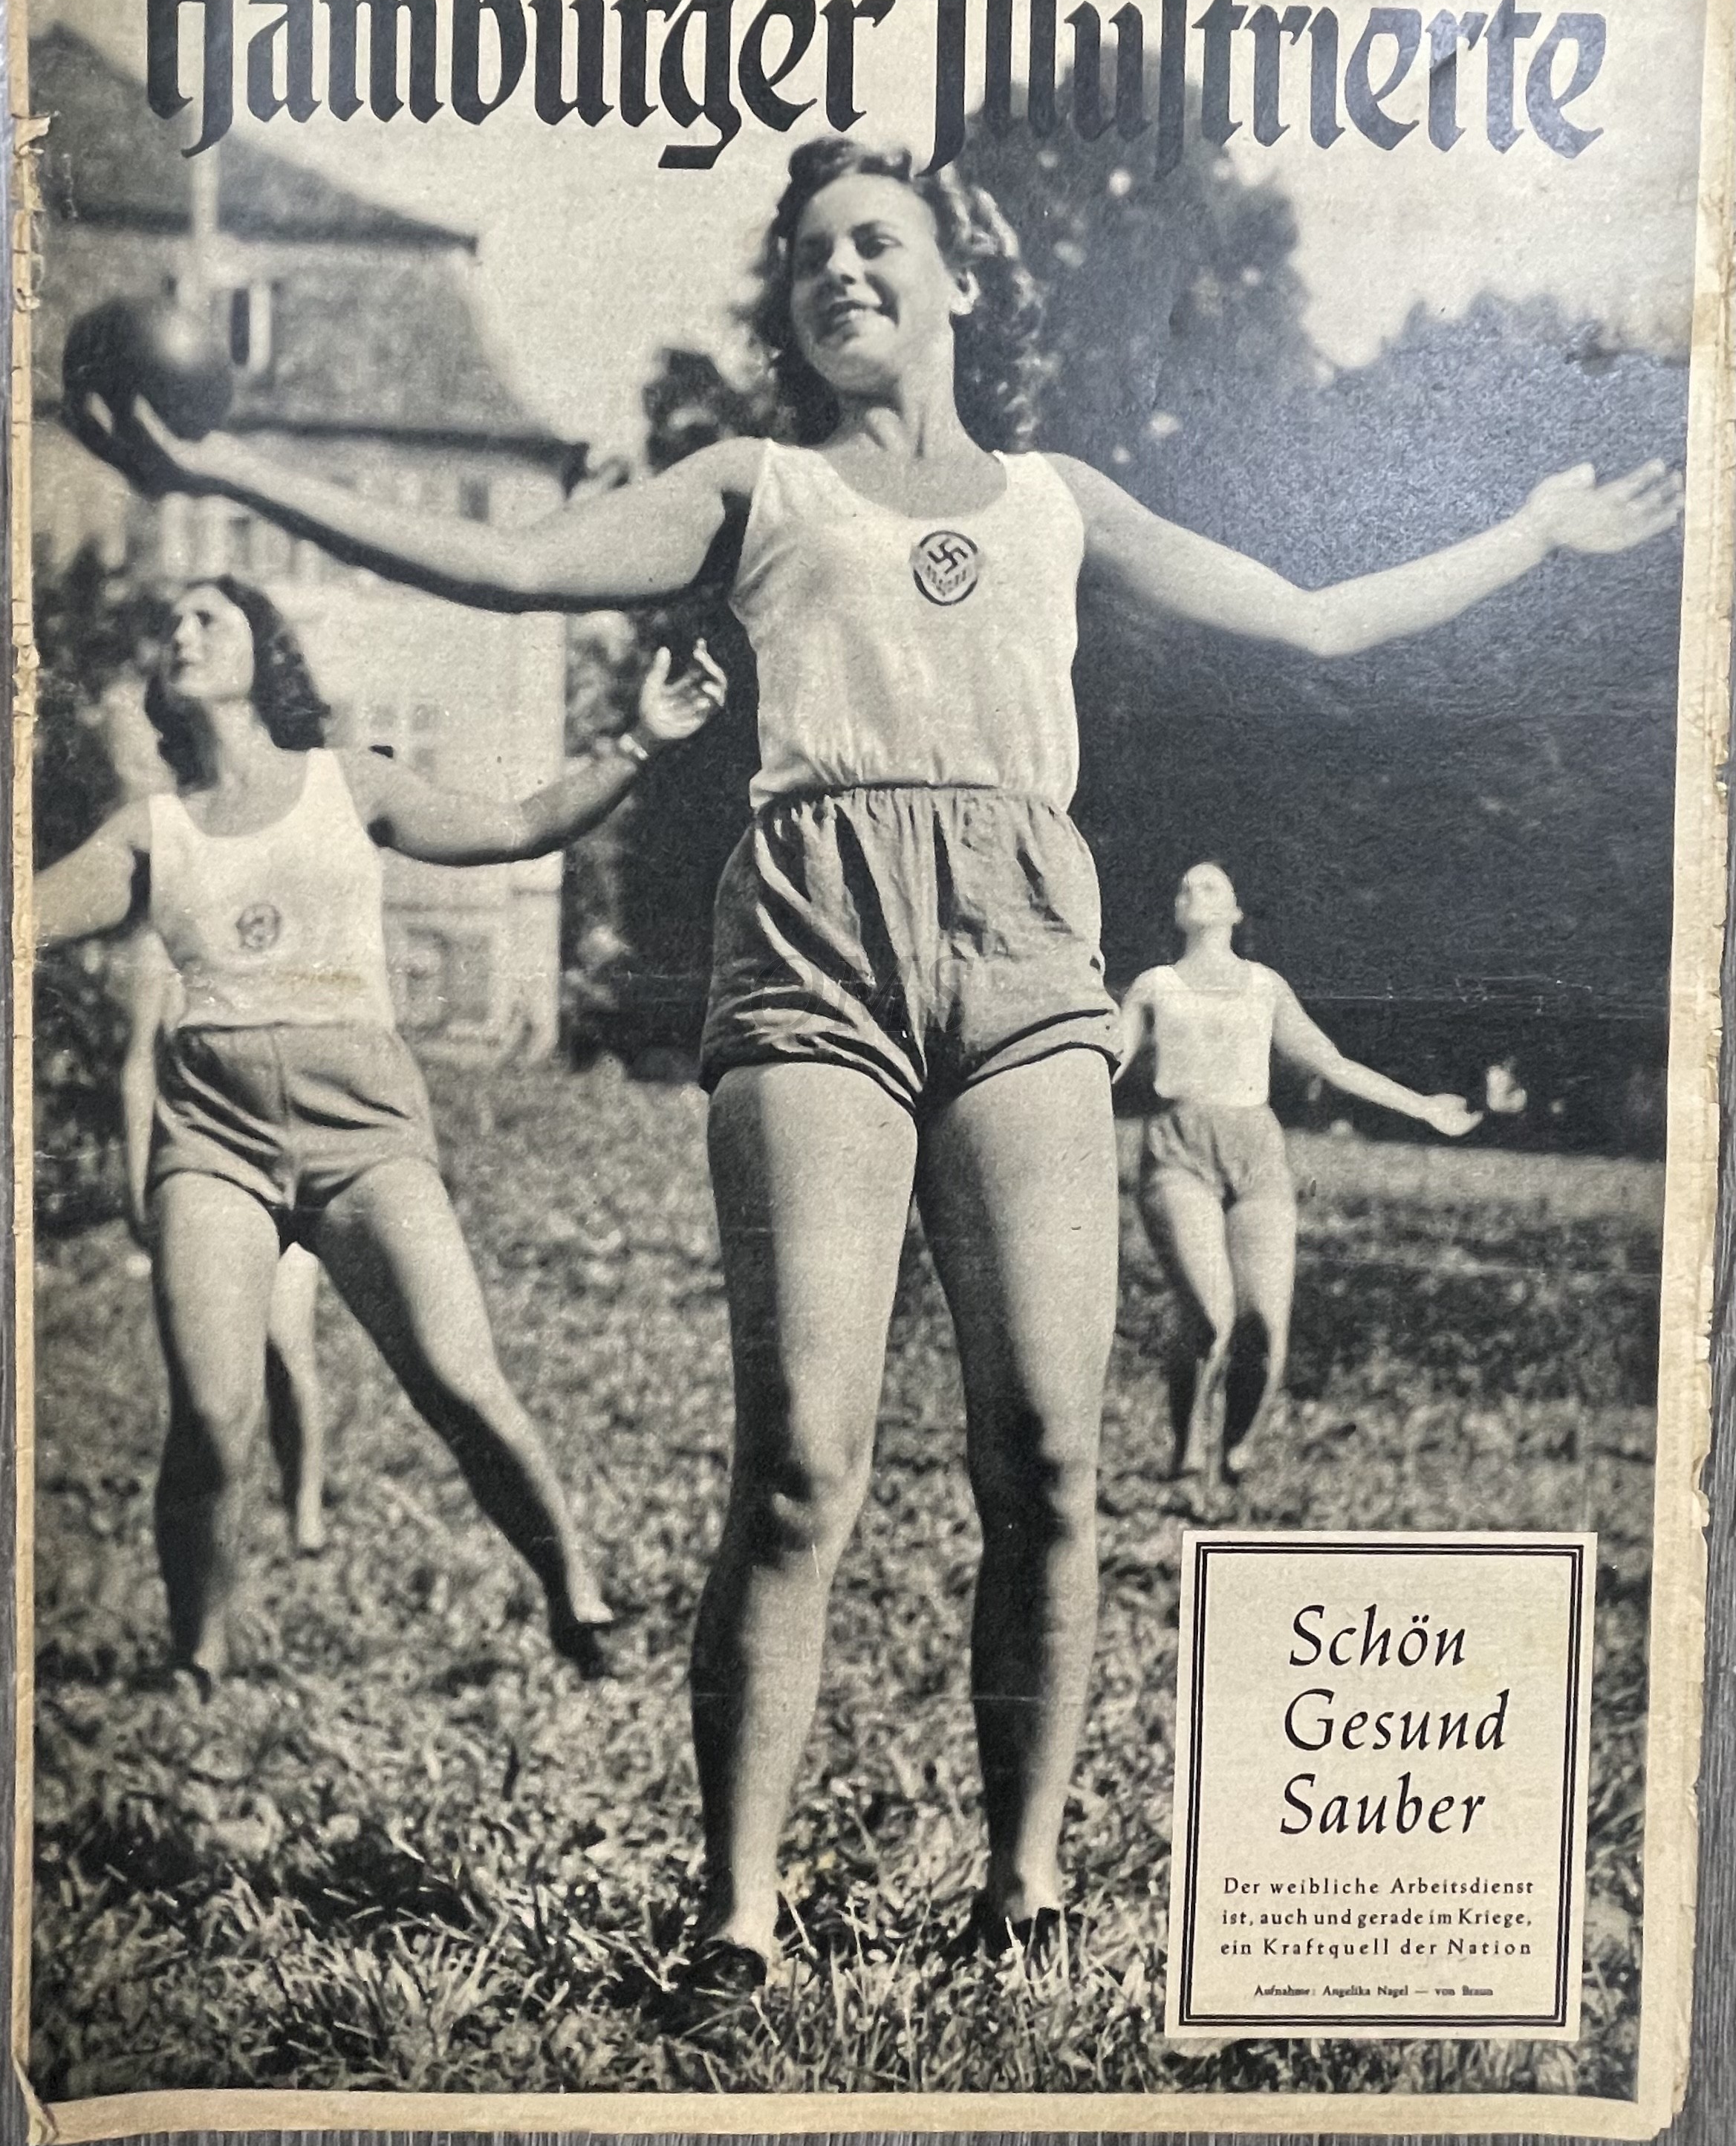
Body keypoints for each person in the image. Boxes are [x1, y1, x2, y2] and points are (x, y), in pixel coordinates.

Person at [80, 137, 1680, 1983]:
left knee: (1049, 1457)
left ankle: (1023, 1883)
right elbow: (510, 566)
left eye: (876, 242)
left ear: (957, 283)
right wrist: (221, 469)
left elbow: (1315, 616)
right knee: (798, 1467)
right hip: (813, 947)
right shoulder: (750, 484)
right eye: (809, 254)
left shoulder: (1057, 499)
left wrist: (1529, 536)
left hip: (1024, 947)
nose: (838, 270)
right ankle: (735, 1911)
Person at [36, 575, 726, 1689]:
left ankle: (575, 1593)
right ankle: (196, 1656)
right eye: (172, 625)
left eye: (211, 617)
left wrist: (640, 743)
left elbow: (518, 828)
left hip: (364, 1131)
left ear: (266, 652)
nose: (183, 632)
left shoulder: (347, 781)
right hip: (212, 1136)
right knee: (213, 1411)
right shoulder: (150, 829)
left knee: (461, 1381)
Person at [1116, 862, 1480, 1503]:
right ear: (1176, 913)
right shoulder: (1154, 985)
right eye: (1183, 888)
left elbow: (1330, 1062)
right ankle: (1184, 1454)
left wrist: (1422, 1106)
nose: (1193, 893)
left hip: (1258, 1152)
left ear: (1235, 911)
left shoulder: (1265, 986)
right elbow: (1108, 1062)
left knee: (1262, 1324)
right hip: (1177, 1149)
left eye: (1209, 886)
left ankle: (1234, 1450)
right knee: (1209, 1313)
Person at [123, 928, 331, 1556]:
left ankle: (304, 1507)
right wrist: (138, 1185)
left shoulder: (277, 929)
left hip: (283, 1168)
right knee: (208, 1381)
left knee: (287, 1345)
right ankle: (219, 1529)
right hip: (202, 1175)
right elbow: (138, 1068)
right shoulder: (158, 945)